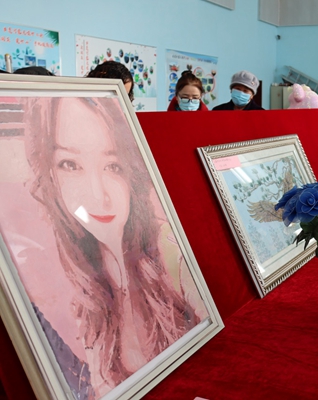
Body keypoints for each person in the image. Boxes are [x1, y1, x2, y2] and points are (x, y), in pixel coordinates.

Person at [25, 96, 210, 398]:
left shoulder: (172, 255)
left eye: (113, 166)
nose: (97, 195)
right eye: (70, 165)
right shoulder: (79, 272)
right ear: (50, 174)